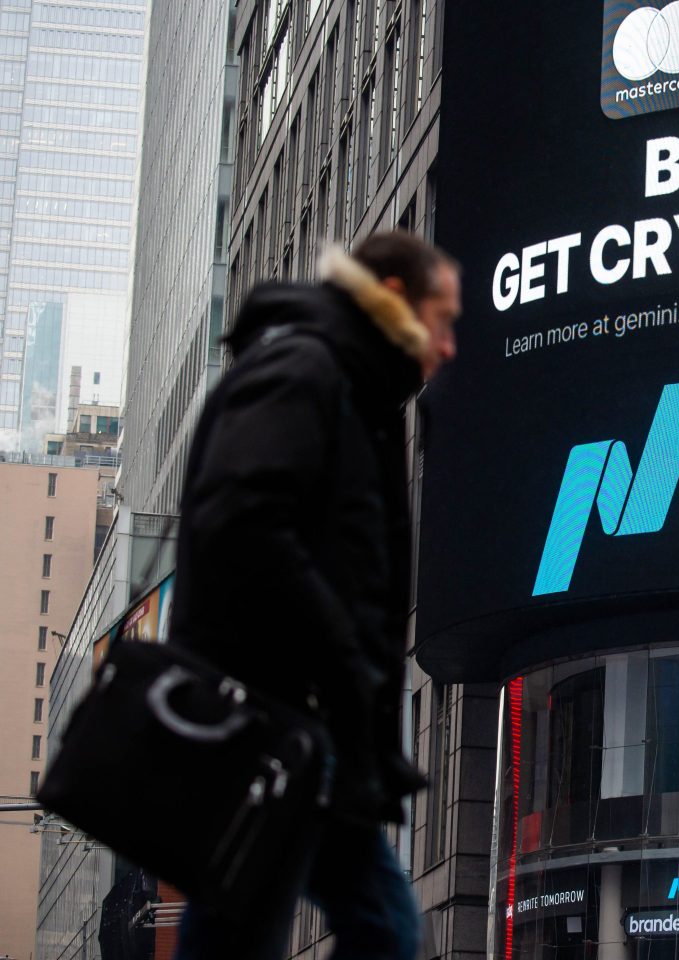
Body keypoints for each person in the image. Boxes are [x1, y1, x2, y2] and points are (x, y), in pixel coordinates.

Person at [169, 231, 461, 959]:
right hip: (271, 724)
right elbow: (241, 519)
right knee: (349, 930)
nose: (450, 345)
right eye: (443, 317)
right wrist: (339, 657)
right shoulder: (306, 370)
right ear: (394, 298)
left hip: (311, 731)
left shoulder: (358, 394)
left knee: (375, 928)